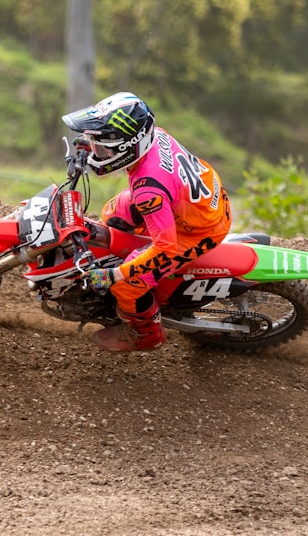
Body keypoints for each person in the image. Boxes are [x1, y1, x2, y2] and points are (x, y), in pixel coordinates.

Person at [61, 92, 232, 353]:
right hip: (192, 199)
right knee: (111, 215)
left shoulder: (148, 191)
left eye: (102, 147)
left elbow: (165, 249)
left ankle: (145, 334)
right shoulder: (152, 135)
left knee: (127, 285)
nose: (98, 152)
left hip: (200, 229)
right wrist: (87, 143)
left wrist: (114, 274)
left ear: (128, 148)